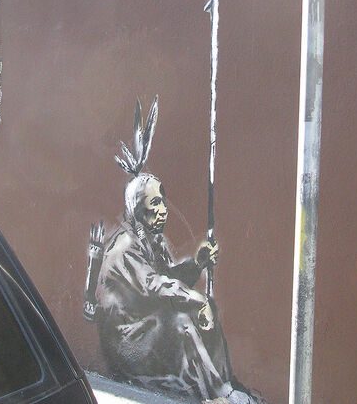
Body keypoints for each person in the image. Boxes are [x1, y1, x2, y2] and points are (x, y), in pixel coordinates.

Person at [89, 98, 266, 404]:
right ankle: (216, 395)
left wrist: (197, 264)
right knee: (183, 321)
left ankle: (226, 384)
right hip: (127, 340)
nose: (163, 210)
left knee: (204, 307)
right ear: (137, 209)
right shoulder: (126, 247)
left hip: (146, 326)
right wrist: (195, 299)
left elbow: (168, 277)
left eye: (163, 201)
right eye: (154, 203)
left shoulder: (150, 240)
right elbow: (155, 285)